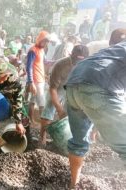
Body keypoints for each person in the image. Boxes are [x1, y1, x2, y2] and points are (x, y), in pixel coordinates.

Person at [64, 28, 126, 188]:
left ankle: (74, 185)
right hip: (97, 88)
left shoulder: (110, 51)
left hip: (73, 84)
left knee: (78, 142)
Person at [39, 45, 89, 146]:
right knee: (49, 110)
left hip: (74, 87)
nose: (77, 64)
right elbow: (53, 88)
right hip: (59, 87)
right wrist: (59, 109)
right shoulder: (60, 65)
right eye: (75, 61)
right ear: (71, 55)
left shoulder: (88, 64)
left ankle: (65, 135)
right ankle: (42, 137)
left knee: (72, 112)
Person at [26, 31, 50, 124]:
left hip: (41, 78)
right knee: (42, 101)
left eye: (47, 42)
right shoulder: (33, 50)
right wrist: (31, 82)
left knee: (33, 100)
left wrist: (57, 61)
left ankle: (31, 120)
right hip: (36, 80)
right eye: (45, 41)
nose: (46, 44)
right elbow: (29, 67)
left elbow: (46, 62)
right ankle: (43, 122)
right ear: (40, 40)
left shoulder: (42, 50)